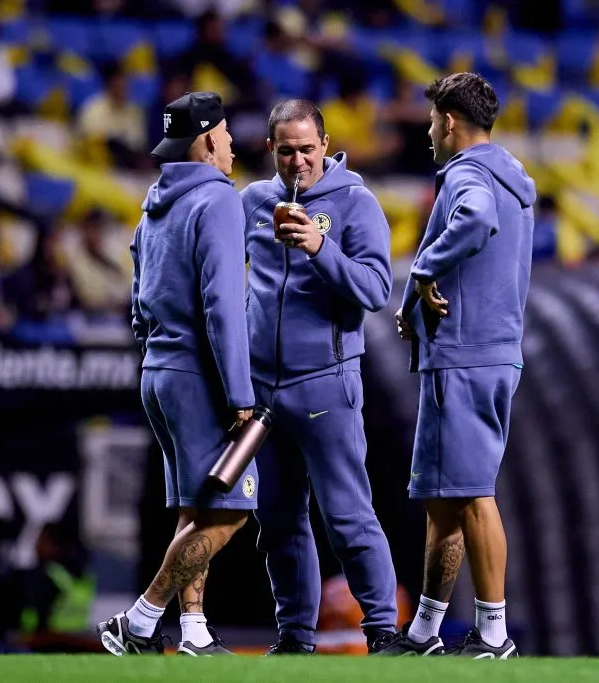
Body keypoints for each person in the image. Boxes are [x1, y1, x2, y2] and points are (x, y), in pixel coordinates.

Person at [96, 91, 256, 657]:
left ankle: (193, 631)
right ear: (209, 139)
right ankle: (138, 620)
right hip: (199, 380)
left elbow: (138, 299)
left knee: (197, 509)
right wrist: (239, 393)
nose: (235, 144)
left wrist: (158, 353)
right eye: (229, 134)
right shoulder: (218, 200)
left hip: (158, 372)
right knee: (233, 513)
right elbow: (222, 303)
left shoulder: (152, 201)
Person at [384, 72, 536, 658]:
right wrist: (411, 307)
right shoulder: (512, 176)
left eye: (430, 120)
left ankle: (494, 633)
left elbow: (472, 221)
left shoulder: (469, 175)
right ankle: (425, 629)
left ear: (449, 121)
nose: (428, 131)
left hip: (466, 357)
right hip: (485, 352)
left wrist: (421, 272)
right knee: (443, 498)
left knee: (472, 494)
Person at [240, 99, 399, 654]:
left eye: (308, 149)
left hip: (326, 384)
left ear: (325, 146)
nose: (298, 161)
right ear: (270, 150)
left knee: (347, 515)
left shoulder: (356, 203)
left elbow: (377, 290)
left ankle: (382, 631)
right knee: (278, 522)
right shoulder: (253, 203)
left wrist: (319, 247)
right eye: (287, 150)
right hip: (263, 394)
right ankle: (295, 639)